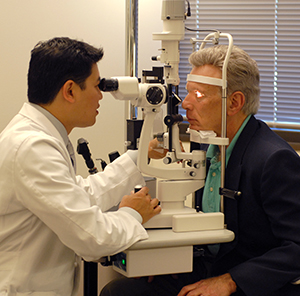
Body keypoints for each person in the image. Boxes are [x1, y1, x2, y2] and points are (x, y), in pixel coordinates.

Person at [100, 45, 300, 296]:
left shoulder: (273, 159)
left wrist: (230, 281)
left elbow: (296, 247)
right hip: (205, 267)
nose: (186, 103)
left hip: (246, 281)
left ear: (235, 102)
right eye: (187, 93)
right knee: (119, 292)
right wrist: (166, 256)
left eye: (199, 94)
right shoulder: (207, 144)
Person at [0, 37, 163, 296]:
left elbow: (80, 196)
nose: (101, 96)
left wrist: (139, 156)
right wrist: (132, 214)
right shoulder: (32, 147)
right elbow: (92, 237)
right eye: (97, 86)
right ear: (70, 91)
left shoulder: (39, 136)